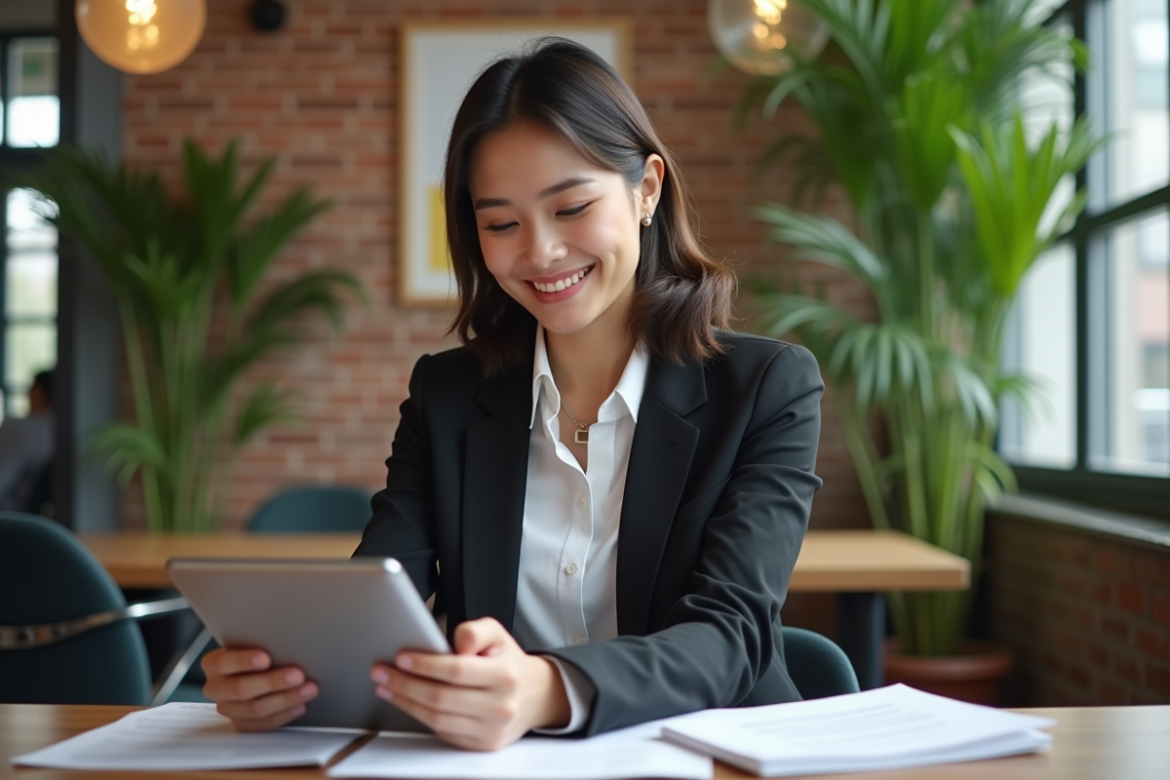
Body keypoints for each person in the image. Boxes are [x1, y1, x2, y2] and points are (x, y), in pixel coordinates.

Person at [201, 39, 823, 750]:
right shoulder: (447, 395)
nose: (541, 252)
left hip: (713, 759)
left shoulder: (767, 387)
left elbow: (731, 635)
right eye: (501, 223)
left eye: (571, 207)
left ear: (647, 189)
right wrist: (289, 680)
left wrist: (550, 688)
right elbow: (380, 601)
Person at [0, 369, 55, 514]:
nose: (27, 394)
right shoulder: (67, 429)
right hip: (43, 524)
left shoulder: (17, 428)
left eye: (31, 388)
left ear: (39, 392)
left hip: (11, 518)